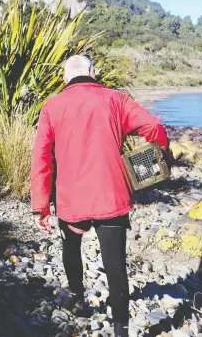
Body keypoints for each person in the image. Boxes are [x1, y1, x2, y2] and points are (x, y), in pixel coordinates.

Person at [30, 55, 170, 337]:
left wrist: (41, 206)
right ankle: (121, 329)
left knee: (71, 249)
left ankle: (79, 300)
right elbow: (154, 127)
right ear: (93, 72)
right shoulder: (115, 99)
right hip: (111, 195)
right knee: (115, 264)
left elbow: (41, 158)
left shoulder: (52, 105)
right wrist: (162, 155)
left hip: (71, 199)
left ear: (65, 77)